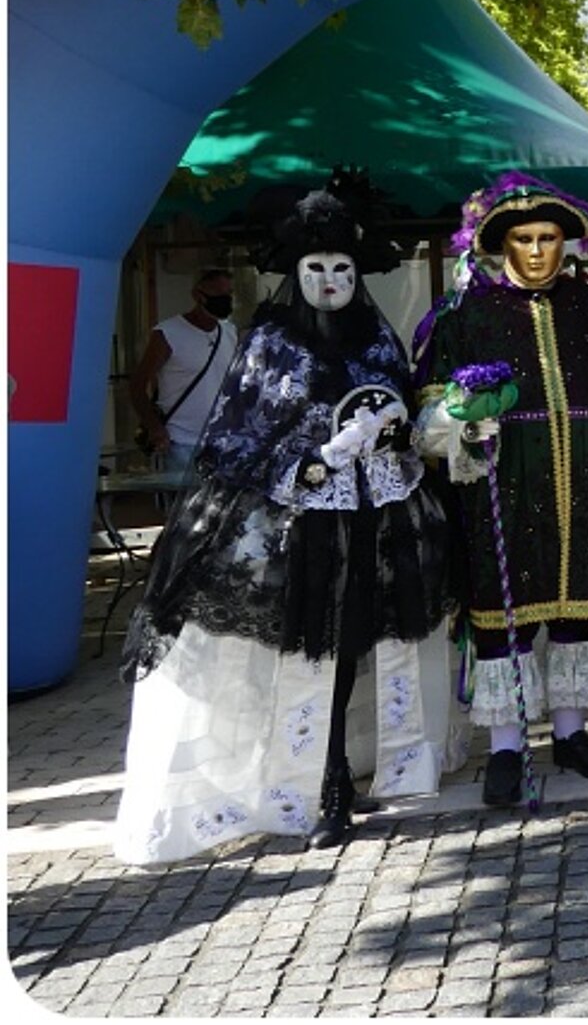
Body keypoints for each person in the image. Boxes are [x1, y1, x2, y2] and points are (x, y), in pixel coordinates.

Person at [115, 175, 457, 863]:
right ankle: (321, 782)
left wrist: (393, 430)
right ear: (296, 273)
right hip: (300, 526)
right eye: (317, 269)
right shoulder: (271, 342)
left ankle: (347, 768)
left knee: (360, 638)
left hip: (376, 516)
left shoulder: (376, 336)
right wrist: (306, 460)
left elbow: (400, 401)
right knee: (315, 648)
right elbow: (239, 432)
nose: (330, 280)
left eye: (341, 269)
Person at [414, 172, 588, 808]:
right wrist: (464, 419)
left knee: (578, 614)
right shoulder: (465, 316)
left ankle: (571, 734)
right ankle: (508, 748)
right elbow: (428, 419)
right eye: (524, 238)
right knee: (502, 621)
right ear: (501, 245)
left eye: (549, 238)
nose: (539, 250)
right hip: (501, 486)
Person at [128, 266, 239, 474]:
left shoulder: (230, 332)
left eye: (229, 294)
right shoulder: (168, 334)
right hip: (180, 443)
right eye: (218, 294)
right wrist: (155, 428)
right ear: (198, 296)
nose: (225, 300)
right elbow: (137, 385)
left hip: (221, 442)